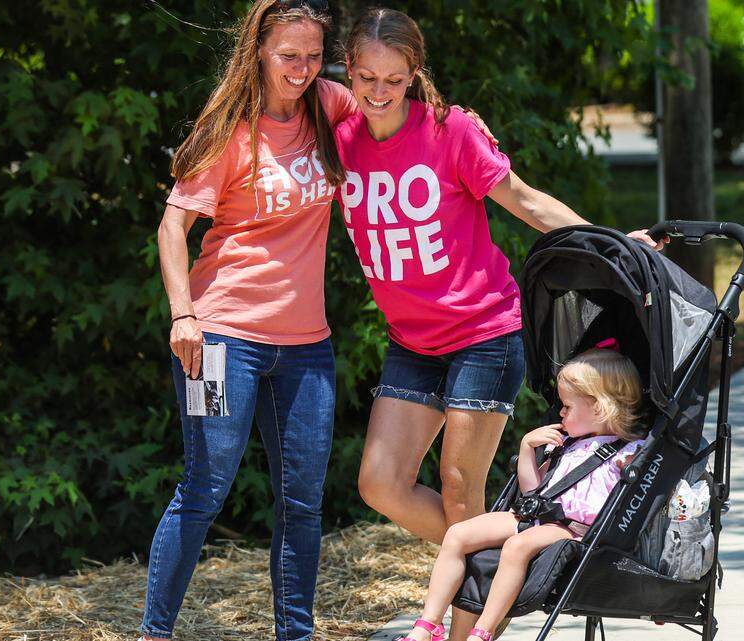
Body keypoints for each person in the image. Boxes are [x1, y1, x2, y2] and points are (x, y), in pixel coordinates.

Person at [333, 9, 659, 639]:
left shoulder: (450, 131)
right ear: (349, 71)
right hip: (412, 342)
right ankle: (525, 538)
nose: (378, 91)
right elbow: (284, 84)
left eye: (394, 79)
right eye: (366, 76)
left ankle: (468, 630)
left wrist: (612, 244)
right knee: (379, 481)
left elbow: (526, 201)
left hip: (483, 330)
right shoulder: (340, 131)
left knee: (460, 488)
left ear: (414, 75)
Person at [141, 2, 352, 640]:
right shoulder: (229, 129)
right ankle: (154, 633)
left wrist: (452, 117)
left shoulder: (330, 104)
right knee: (204, 489)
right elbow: (173, 224)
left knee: (302, 506)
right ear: (258, 50)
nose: (301, 69)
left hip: (307, 347)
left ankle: (297, 634)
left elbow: (394, 101)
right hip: (222, 338)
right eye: (288, 56)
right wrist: (184, 315)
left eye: (313, 56)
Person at [395, 348, 646, 641]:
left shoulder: (628, 453)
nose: (561, 413)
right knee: (457, 535)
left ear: (599, 408)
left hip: (574, 529)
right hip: (537, 516)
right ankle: (428, 625)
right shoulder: (565, 445)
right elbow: (533, 491)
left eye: (567, 406)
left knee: (517, 546)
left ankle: (482, 631)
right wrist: (528, 447)